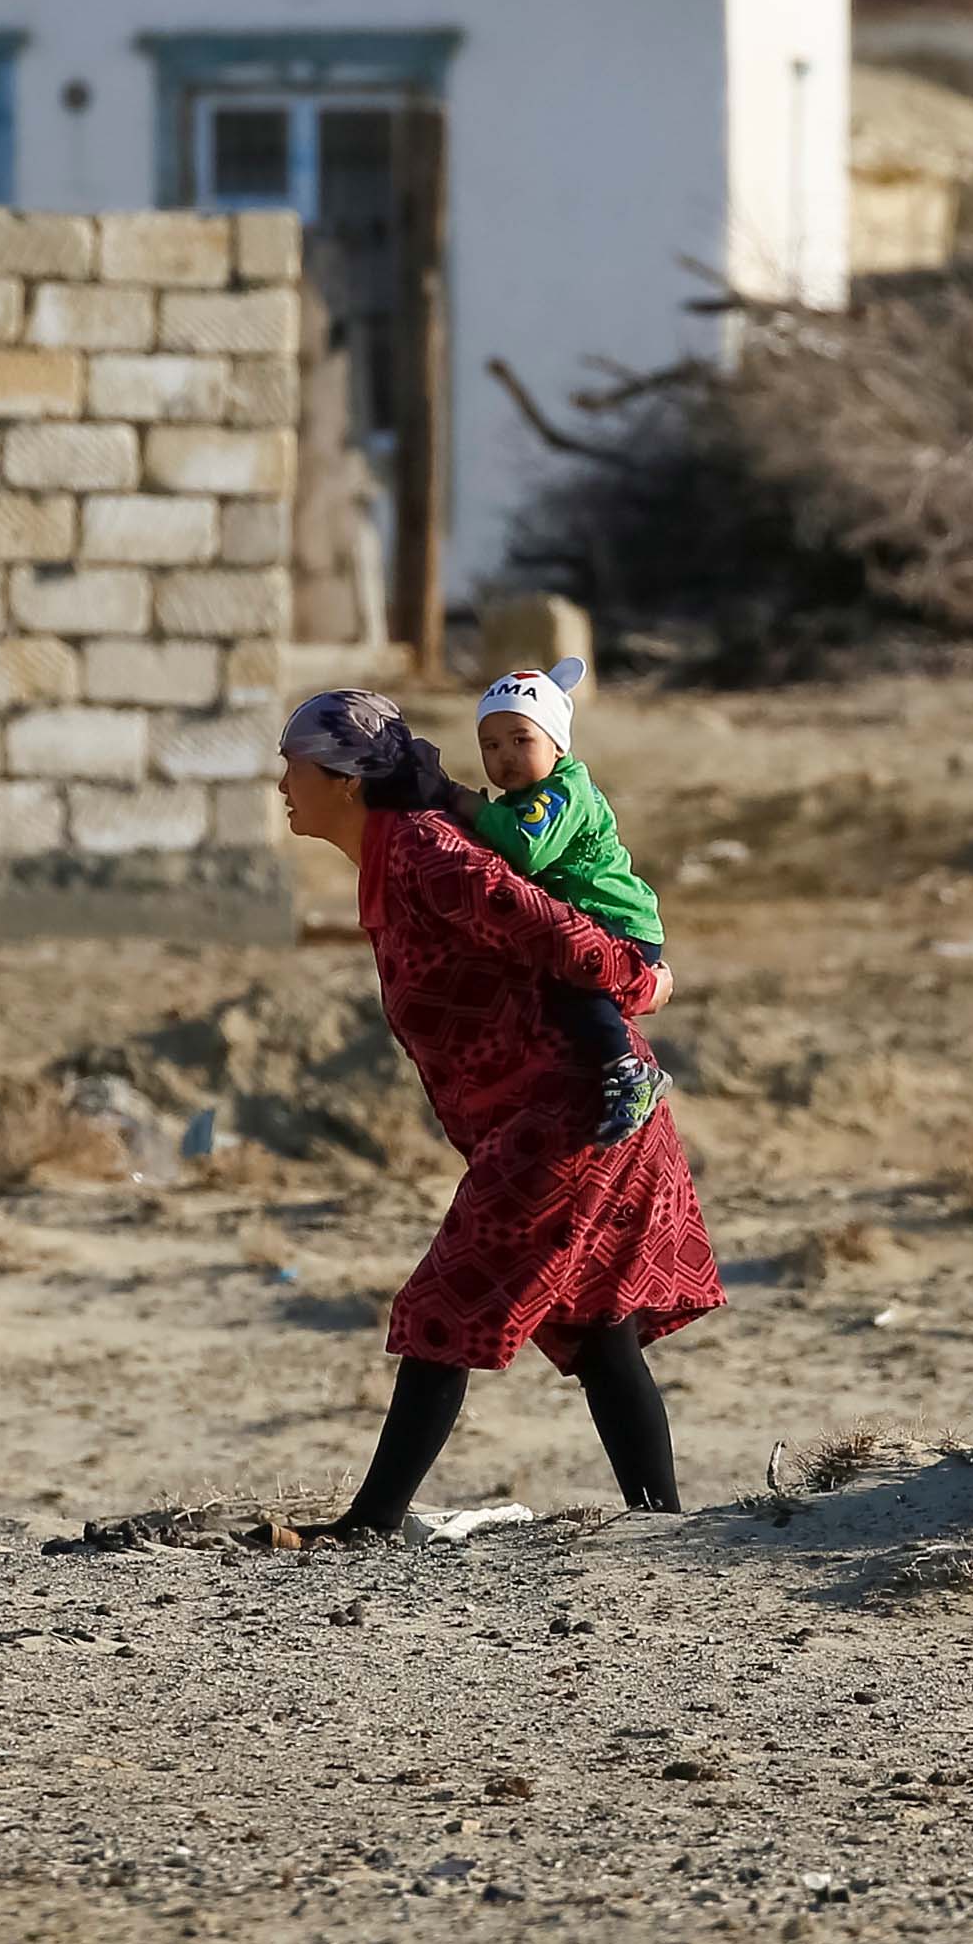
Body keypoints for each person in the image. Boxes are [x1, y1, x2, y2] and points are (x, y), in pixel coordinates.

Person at [274, 687, 720, 1537]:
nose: (280, 782)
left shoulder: (425, 855)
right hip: (550, 1111)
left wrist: (642, 980)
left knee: (445, 1305)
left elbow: (558, 931)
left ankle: (368, 1525)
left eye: (290, 762)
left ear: (341, 776)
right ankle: (663, 1527)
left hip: (572, 1109)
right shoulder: (392, 856)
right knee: (597, 1325)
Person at [456, 657, 670, 1144]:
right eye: (491, 745)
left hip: (617, 922)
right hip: (582, 924)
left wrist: (471, 807)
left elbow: (526, 849)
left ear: (556, 742)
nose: (505, 756)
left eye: (521, 740)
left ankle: (629, 1074)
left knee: (575, 986)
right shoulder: (520, 800)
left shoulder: (563, 791)